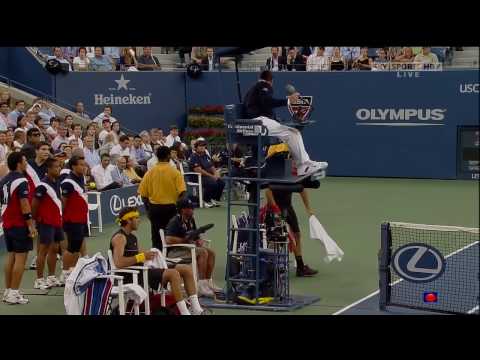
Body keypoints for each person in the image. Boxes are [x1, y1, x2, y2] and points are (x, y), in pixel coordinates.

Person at [110, 206, 205, 315]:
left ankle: (197, 310)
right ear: (128, 220)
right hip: (134, 275)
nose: (139, 220)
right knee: (173, 274)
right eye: (136, 217)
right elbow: (118, 263)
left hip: (143, 269)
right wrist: (141, 257)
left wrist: (150, 255)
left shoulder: (132, 237)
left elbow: (136, 255)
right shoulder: (119, 238)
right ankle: (184, 312)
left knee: (186, 269)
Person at [243, 70, 328, 176]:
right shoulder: (263, 85)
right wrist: (288, 101)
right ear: (271, 80)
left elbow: (262, 105)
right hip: (258, 123)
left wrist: (276, 120)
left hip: (256, 122)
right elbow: (267, 102)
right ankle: (304, 166)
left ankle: (305, 164)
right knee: (293, 133)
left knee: (293, 132)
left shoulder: (254, 88)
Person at [1, 152, 37, 304]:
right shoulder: (21, 180)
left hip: (7, 223)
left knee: (12, 256)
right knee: (21, 258)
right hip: (19, 224)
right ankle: (14, 293)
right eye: (24, 161)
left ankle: (8, 291)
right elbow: (24, 204)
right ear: (18, 163)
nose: (26, 163)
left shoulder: (4, 180)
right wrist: (30, 225)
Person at [165, 198, 221, 297]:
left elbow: (194, 234)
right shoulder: (175, 221)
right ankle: (201, 286)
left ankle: (208, 283)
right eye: (190, 208)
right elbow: (168, 240)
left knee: (211, 253)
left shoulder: (191, 219)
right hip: (175, 251)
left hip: (187, 248)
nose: (192, 210)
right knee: (202, 252)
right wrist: (184, 240)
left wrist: (198, 240)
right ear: (183, 210)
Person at [138, 146, 186, 250]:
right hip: (172, 208)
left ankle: (158, 261)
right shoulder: (175, 172)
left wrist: (148, 210)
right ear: (169, 156)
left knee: (156, 237)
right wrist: (179, 207)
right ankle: (172, 257)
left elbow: (143, 194)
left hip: (155, 209)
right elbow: (182, 192)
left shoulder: (150, 173)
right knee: (172, 234)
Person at [265, 186, 318, 277]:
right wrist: (275, 209)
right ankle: (269, 267)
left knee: (297, 234)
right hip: (274, 209)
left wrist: (308, 208)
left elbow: (302, 190)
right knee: (276, 238)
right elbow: (268, 192)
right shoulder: (276, 177)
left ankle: (300, 267)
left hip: (288, 208)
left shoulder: (293, 180)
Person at [31, 157, 64, 289]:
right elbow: (34, 204)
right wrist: (35, 220)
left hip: (56, 221)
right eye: (56, 167)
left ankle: (51, 277)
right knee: (43, 251)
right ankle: (39, 280)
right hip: (46, 222)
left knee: (55, 249)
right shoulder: (42, 185)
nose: (58, 169)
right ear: (48, 169)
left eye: (59, 166)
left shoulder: (57, 181)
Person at [60, 155, 88, 278]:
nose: (84, 167)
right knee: (71, 248)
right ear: (73, 166)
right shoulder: (67, 182)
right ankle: (65, 273)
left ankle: (73, 270)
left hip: (81, 218)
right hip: (72, 220)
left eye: (84, 164)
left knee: (77, 248)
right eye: (81, 165)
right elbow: (63, 203)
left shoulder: (81, 177)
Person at [189, 139, 225, 208]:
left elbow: (211, 166)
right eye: (200, 146)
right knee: (212, 183)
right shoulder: (193, 156)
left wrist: (216, 174)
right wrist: (212, 176)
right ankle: (205, 200)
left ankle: (213, 199)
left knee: (221, 183)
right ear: (196, 147)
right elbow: (199, 170)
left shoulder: (205, 155)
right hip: (197, 177)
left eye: (204, 146)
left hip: (207, 176)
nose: (202, 147)